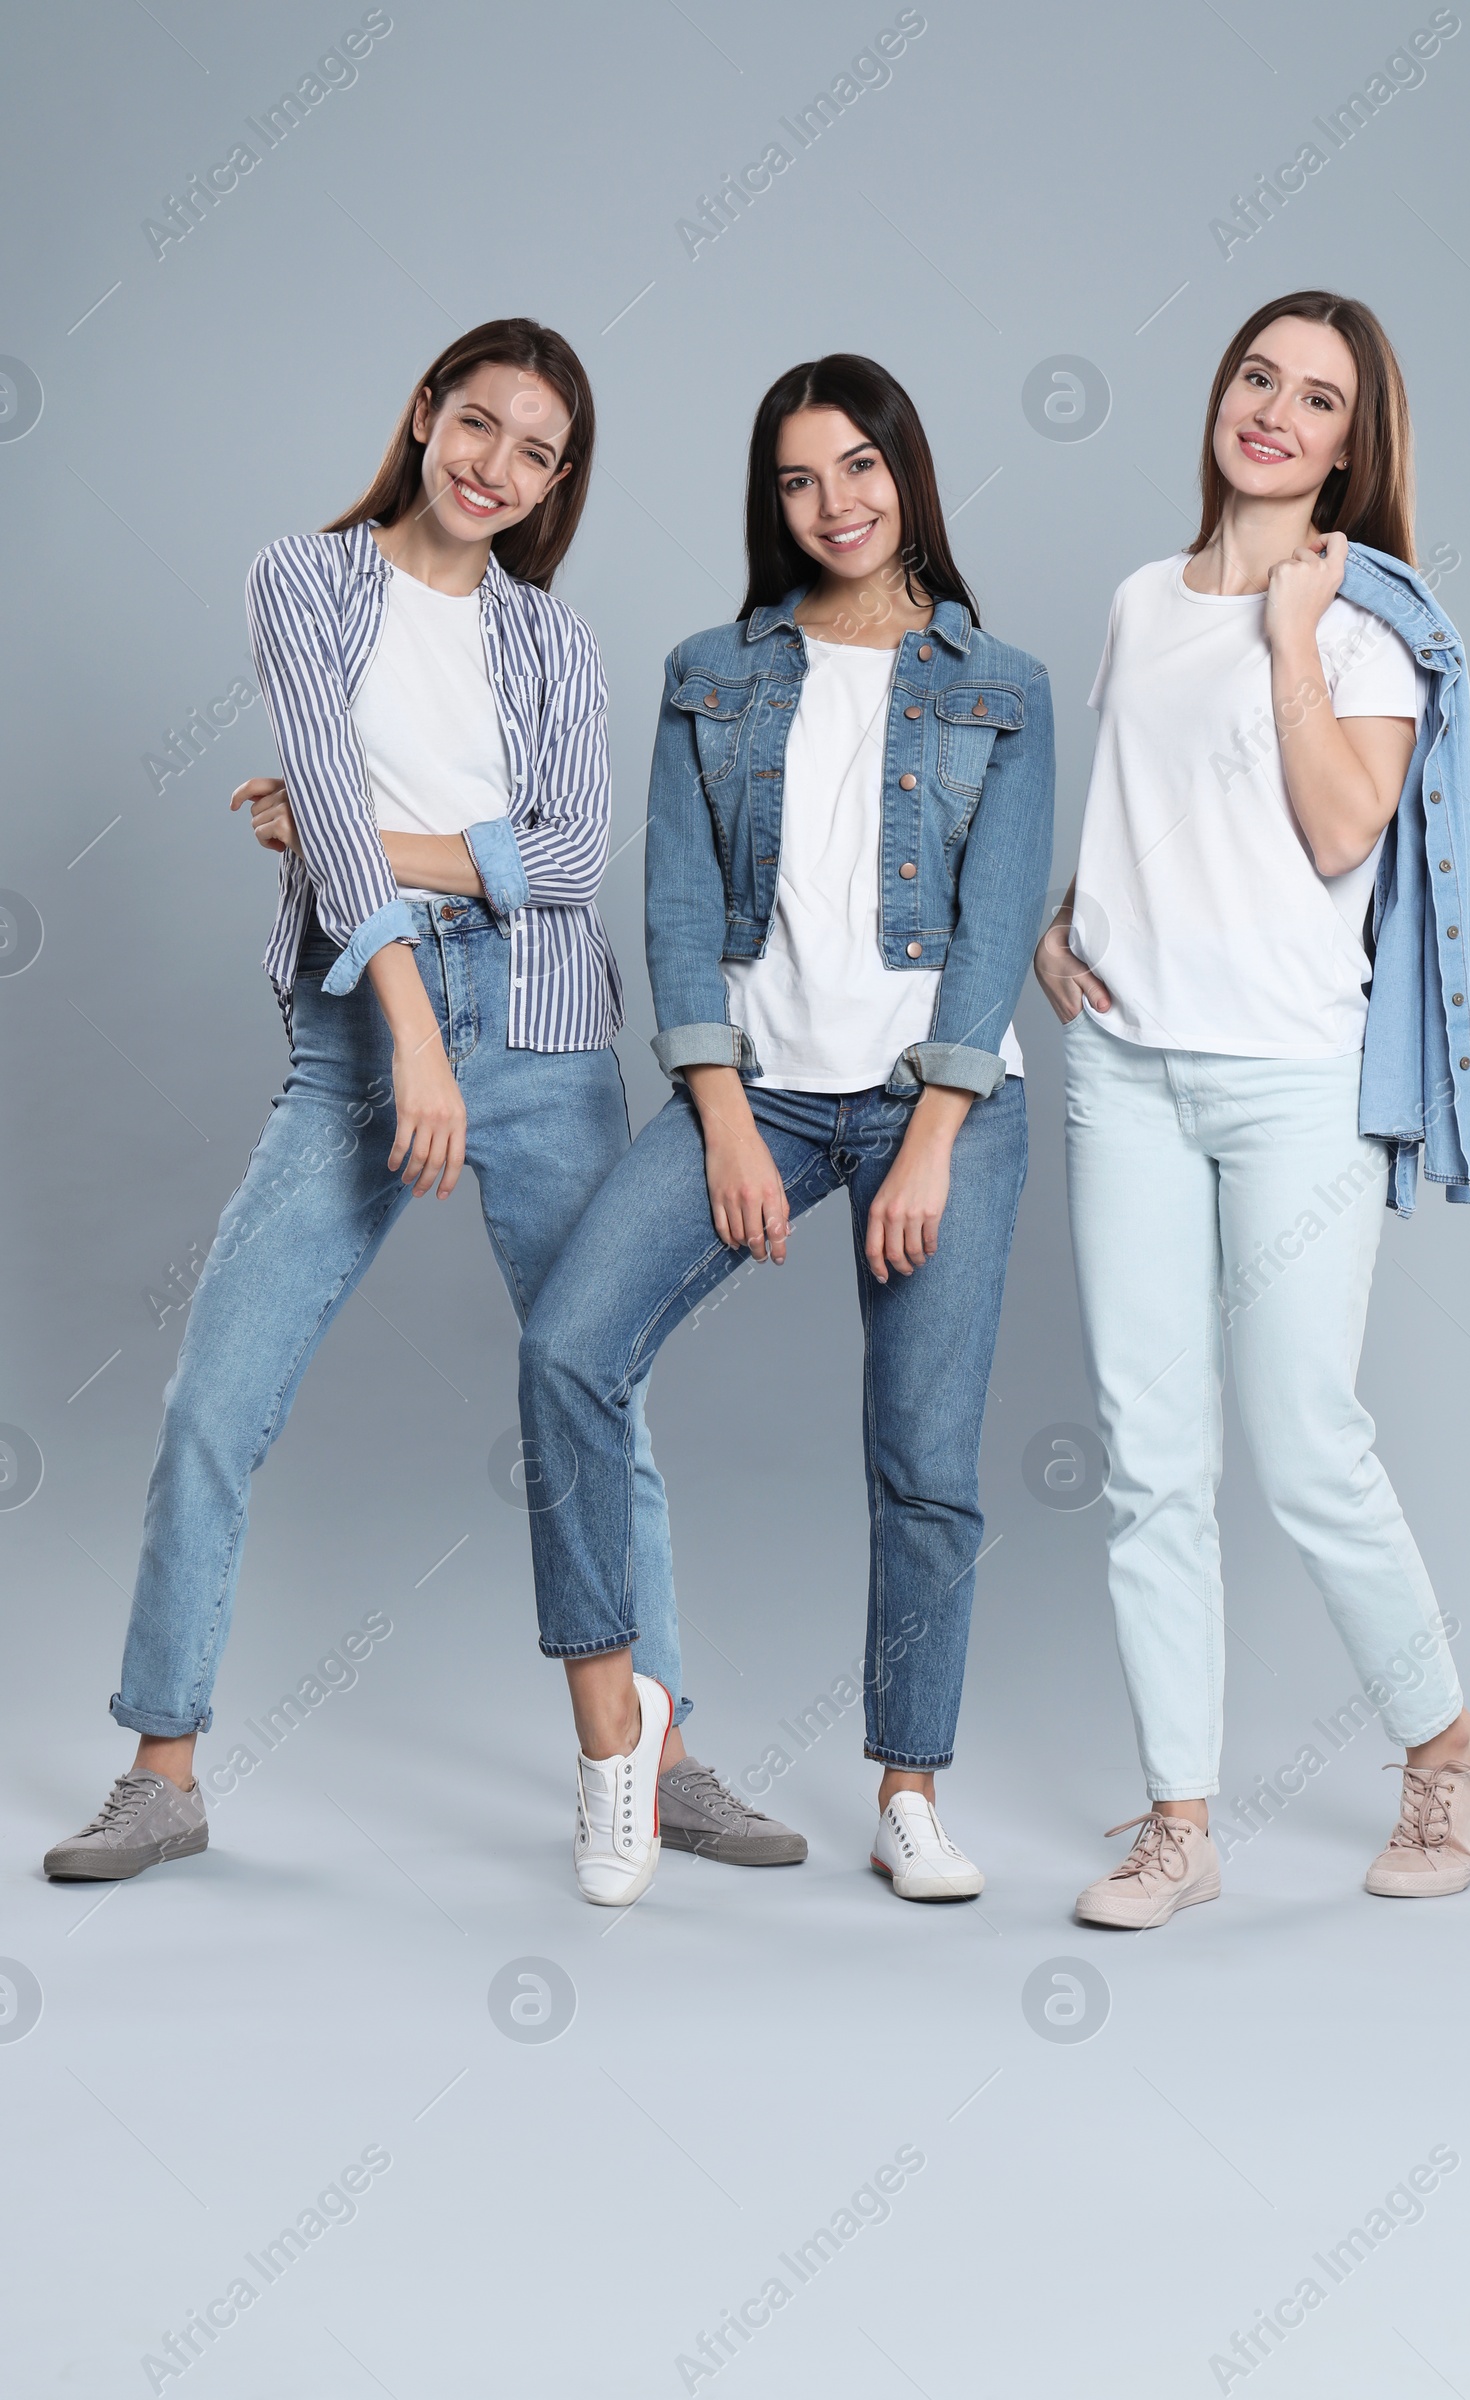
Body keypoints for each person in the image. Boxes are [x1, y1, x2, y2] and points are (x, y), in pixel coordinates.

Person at [45, 317, 802, 1882]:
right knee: (212, 1400)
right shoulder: (301, 580)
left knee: (601, 1395)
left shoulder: (554, 641)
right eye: (477, 425)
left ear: (557, 480)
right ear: (422, 414)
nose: (494, 468)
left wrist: (350, 840)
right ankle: (164, 1769)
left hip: (539, 1030)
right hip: (360, 1030)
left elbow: (569, 860)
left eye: (534, 452)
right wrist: (407, 1000)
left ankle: (657, 1754)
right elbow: (335, 781)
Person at [519, 354, 1055, 1906]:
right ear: (773, 500)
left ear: (910, 472)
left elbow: (998, 914)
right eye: (799, 479)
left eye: (861, 468)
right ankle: (621, 1737)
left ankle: (909, 1789)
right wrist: (724, 1122)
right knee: (568, 1349)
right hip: (749, 1090)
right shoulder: (713, 672)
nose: (835, 504)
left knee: (923, 1461)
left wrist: (939, 1133)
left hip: (933, 1106)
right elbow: (676, 909)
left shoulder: (997, 685)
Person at [1034, 291, 1470, 1930]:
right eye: (1258, 379)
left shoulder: (1373, 627)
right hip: (1127, 1072)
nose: (1277, 415)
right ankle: (1179, 1823)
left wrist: (1292, 638)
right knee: (1152, 1466)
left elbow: (1328, 839)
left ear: (1353, 445)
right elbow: (1148, 814)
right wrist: (1061, 918)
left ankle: (1445, 1743)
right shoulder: (1138, 600)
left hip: (1295, 1082)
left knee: (1307, 1444)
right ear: (1221, 396)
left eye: (1318, 400)